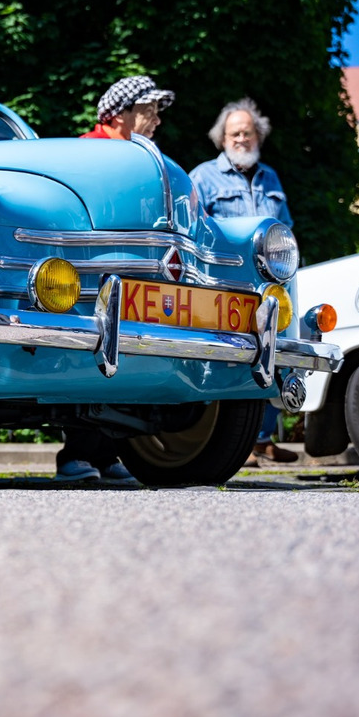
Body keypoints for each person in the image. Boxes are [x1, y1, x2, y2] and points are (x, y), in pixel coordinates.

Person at [55, 75, 176, 483]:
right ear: (121, 114)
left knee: (126, 357)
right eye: (149, 109)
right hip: (93, 271)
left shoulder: (139, 155)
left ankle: (106, 455)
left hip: (136, 271)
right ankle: (76, 455)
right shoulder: (90, 150)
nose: (157, 119)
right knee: (94, 355)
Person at [189, 98, 298, 467]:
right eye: (234, 133)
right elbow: (191, 231)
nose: (240, 138)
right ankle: (237, 442)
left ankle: (263, 438)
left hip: (270, 287)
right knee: (233, 355)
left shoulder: (270, 177)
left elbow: (286, 231)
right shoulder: (202, 177)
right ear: (221, 138)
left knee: (275, 353)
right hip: (224, 284)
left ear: (258, 137)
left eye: (247, 133)